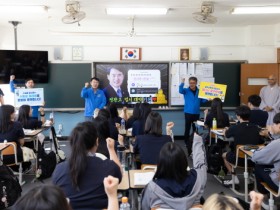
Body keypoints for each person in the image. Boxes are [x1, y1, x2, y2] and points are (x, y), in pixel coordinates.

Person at [52, 121, 122, 210]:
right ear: (97, 141)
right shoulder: (109, 167)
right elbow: (119, 175)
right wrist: (111, 149)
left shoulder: (59, 169)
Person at [141, 133, 207, 209]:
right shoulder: (199, 179)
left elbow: (144, 207)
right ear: (184, 161)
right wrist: (197, 141)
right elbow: (201, 163)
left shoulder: (152, 188)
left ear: (161, 163)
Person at [222, 106, 263, 185]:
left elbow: (226, 135)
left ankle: (235, 178)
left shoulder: (235, 127)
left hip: (238, 159)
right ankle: (249, 178)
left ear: (238, 116)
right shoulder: (256, 128)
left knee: (224, 155)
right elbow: (260, 142)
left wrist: (225, 130)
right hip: (254, 160)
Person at [251, 112, 280, 199]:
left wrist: (257, 151)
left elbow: (255, 158)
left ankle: (263, 194)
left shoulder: (277, 144)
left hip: (278, 185)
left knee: (258, 165)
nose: (272, 126)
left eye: (273, 124)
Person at [179, 77, 208, 156]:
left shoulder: (199, 91)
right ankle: (186, 142)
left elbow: (202, 100)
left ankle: (195, 141)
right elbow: (180, 90)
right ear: (189, 83)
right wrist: (182, 82)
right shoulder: (186, 90)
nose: (192, 84)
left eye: (193, 83)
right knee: (187, 128)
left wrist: (208, 99)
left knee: (196, 128)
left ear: (196, 83)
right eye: (190, 83)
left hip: (196, 113)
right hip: (188, 112)